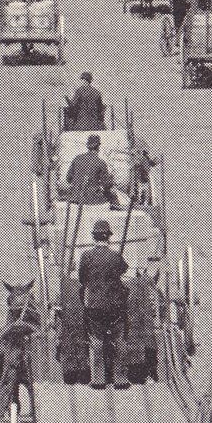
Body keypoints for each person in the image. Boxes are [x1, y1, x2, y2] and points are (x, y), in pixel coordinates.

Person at [77, 219, 130, 389]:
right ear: (109, 238)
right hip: (115, 308)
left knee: (97, 342)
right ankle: (120, 379)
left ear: (94, 237)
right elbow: (123, 269)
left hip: (94, 308)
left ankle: (98, 379)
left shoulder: (86, 256)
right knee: (120, 340)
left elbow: (82, 279)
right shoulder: (115, 257)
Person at [65, 135, 117, 209]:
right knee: (113, 195)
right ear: (98, 147)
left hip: (75, 197)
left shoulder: (77, 158)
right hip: (91, 199)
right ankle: (115, 212)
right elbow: (106, 185)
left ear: (88, 146)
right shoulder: (100, 162)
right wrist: (110, 180)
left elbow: (68, 179)